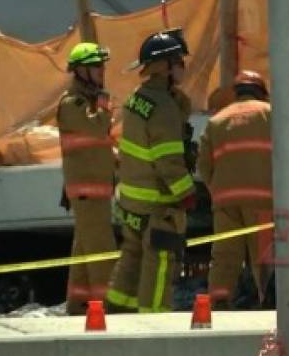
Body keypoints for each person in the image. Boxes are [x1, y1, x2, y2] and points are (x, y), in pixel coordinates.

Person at [106, 29, 196, 313]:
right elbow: (167, 160)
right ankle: (154, 321)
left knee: (132, 255)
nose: (183, 66)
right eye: (178, 61)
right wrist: (188, 193)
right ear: (165, 67)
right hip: (159, 203)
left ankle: (119, 312)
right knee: (161, 262)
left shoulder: (138, 98)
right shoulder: (163, 106)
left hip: (131, 201)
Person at [197, 70, 272, 309]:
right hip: (263, 200)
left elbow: (204, 165)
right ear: (261, 92)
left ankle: (218, 302)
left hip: (225, 202)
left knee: (225, 257)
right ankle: (269, 302)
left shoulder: (217, 120)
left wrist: (217, 191)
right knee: (264, 257)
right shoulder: (270, 115)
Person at [58, 42, 117, 315]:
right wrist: (104, 104)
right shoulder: (73, 104)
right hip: (87, 191)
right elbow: (96, 127)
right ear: (80, 70)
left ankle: (78, 305)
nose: (102, 71)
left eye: (102, 66)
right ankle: (108, 306)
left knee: (85, 250)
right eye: (96, 66)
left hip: (94, 190)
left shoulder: (87, 104)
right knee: (101, 250)